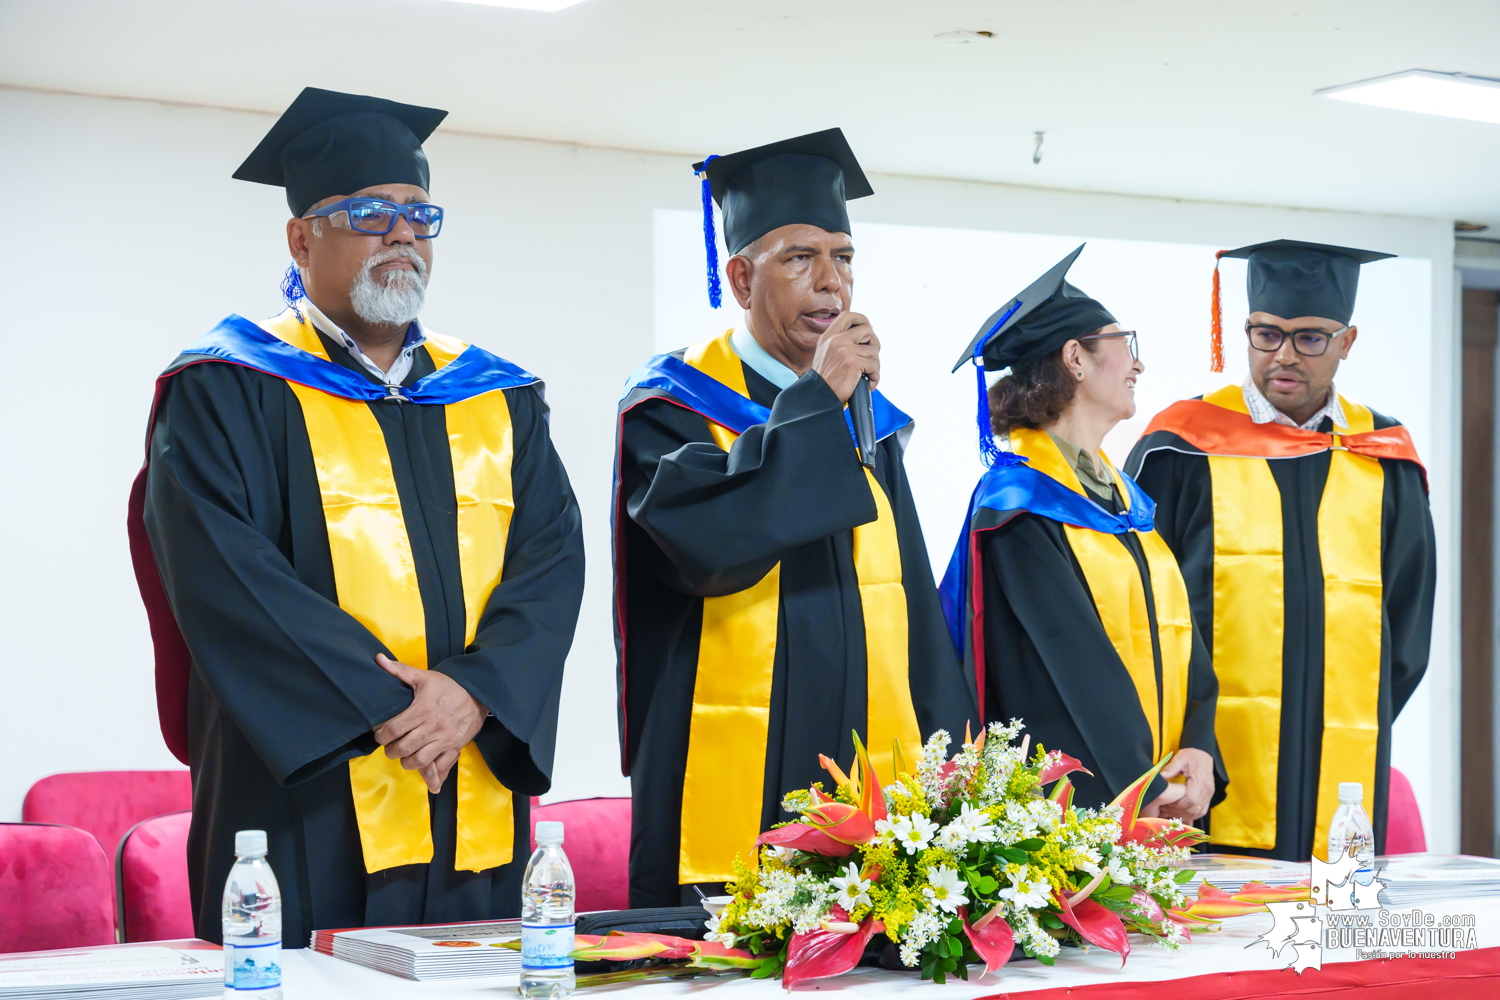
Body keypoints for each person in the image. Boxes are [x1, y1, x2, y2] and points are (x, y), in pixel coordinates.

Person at [126, 87, 585, 943]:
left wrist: (476, 695)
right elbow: (223, 576)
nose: (402, 232)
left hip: (469, 784)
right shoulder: (226, 387)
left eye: (419, 213)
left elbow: (553, 560)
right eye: (372, 213)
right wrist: (401, 708)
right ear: (303, 239)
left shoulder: (500, 396)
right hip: (308, 794)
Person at [613, 129, 976, 906]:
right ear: (741, 277)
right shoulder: (671, 405)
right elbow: (705, 549)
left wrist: (955, 766)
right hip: (737, 771)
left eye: (843, 258)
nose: (831, 283)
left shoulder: (868, 420)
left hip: (870, 765)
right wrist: (818, 403)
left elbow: (911, 603)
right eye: (799, 258)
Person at [1125, 239, 1435, 861]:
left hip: (1340, 760)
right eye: (1266, 334)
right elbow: (1141, 608)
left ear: (1347, 342)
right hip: (1202, 772)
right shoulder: (1182, 448)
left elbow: (1407, 626)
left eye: (1309, 338)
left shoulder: (1382, 457)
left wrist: (1341, 709)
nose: (1284, 355)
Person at [940, 245, 1224, 819]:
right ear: (1076, 357)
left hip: (1151, 795)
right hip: (1074, 810)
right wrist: (1143, 786)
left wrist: (1198, 742)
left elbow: (1177, 627)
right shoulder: (1020, 508)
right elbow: (1076, 665)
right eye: (1127, 345)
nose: (1138, 365)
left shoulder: (1124, 501)